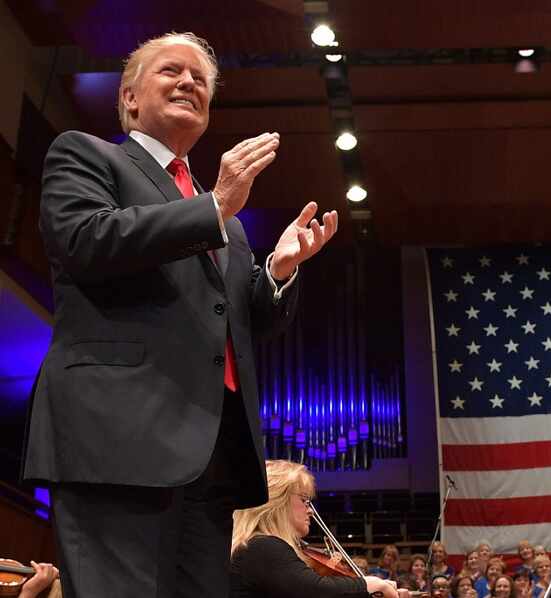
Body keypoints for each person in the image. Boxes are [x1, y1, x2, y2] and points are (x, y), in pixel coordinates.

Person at [22, 31, 337, 598]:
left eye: (201, 81)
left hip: (213, 457)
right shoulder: (86, 155)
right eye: (171, 70)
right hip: (117, 440)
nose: (189, 82)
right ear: (129, 98)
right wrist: (213, 206)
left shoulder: (232, 226)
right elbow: (84, 240)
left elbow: (241, 327)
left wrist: (278, 274)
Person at [230, 460, 405, 598]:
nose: (311, 510)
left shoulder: (256, 546)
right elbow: (315, 590)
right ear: (277, 502)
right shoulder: (262, 547)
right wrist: (371, 585)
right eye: (304, 500)